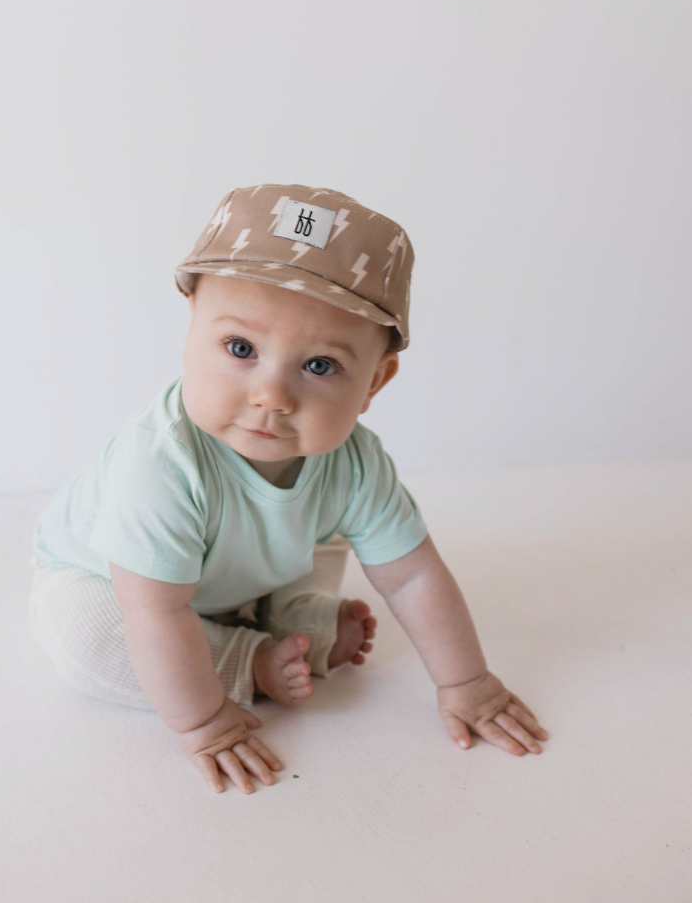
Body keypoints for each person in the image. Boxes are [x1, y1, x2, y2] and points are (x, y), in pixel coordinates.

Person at [30, 183, 549, 795]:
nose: (271, 396)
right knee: (87, 637)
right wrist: (206, 723)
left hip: (239, 570)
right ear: (191, 328)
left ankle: (292, 618)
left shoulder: (354, 460)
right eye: (241, 348)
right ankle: (250, 660)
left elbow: (412, 576)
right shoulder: (160, 462)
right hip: (118, 586)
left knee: (328, 540)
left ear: (375, 381)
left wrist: (467, 682)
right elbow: (156, 612)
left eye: (320, 366)